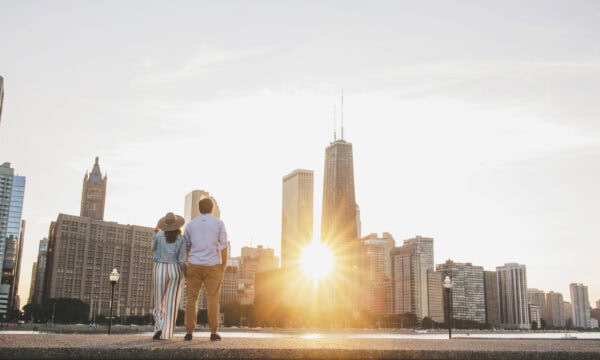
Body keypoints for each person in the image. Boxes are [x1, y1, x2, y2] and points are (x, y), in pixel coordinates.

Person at [183, 198, 228, 341]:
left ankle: (189, 332)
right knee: (213, 299)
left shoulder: (190, 225)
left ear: (199, 208)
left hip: (194, 264)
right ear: (212, 208)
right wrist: (223, 265)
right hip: (213, 265)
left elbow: (186, 246)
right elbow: (224, 245)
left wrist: (187, 263)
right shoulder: (219, 223)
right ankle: (213, 332)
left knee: (191, 299)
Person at [151, 212, 186, 340]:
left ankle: (159, 326)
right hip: (175, 269)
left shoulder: (159, 235)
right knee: (171, 304)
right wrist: (186, 274)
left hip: (159, 268)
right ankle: (166, 334)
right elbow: (182, 260)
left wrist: (155, 233)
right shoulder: (182, 239)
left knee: (158, 302)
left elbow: (152, 248)